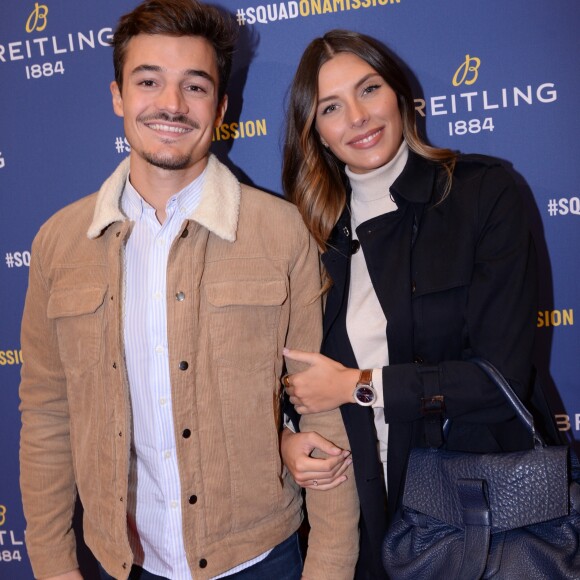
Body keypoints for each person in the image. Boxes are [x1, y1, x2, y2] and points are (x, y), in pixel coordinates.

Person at [18, 3, 359, 580]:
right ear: (118, 96)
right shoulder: (58, 243)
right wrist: (53, 565)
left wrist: (329, 564)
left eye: (194, 86)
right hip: (119, 562)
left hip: (261, 560)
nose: (171, 105)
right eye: (149, 81)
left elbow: (322, 413)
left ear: (221, 107)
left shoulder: (281, 233)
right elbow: (48, 414)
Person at [280, 29, 538, 579]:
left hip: (475, 511)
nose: (357, 116)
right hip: (355, 513)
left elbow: (503, 379)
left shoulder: (482, 193)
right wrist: (284, 439)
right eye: (331, 107)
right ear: (317, 133)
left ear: (399, 96)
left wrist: (358, 384)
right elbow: (277, 373)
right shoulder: (303, 233)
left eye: (369, 89)